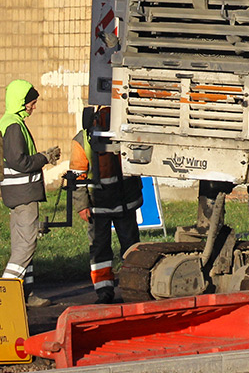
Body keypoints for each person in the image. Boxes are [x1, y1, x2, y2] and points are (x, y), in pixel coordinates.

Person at [69, 106, 142, 303]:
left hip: (115, 203)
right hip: (107, 205)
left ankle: (127, 286)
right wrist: (82, 205)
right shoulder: (83, 140)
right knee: (116, 247)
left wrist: (83, 205)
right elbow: (78, 176)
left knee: (125, 248)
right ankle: (109, 289)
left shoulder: (84, 139)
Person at [0, 80, 60, 308]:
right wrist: (44, 157)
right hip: (24, 194)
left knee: (20, 245)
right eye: (31, 103)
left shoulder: (9, 122)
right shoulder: (14, 125)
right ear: (21, 103)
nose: (33, 108)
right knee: (27, 246)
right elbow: (19, 161)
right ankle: (6, 294)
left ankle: (25, 294)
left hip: (14, 193)